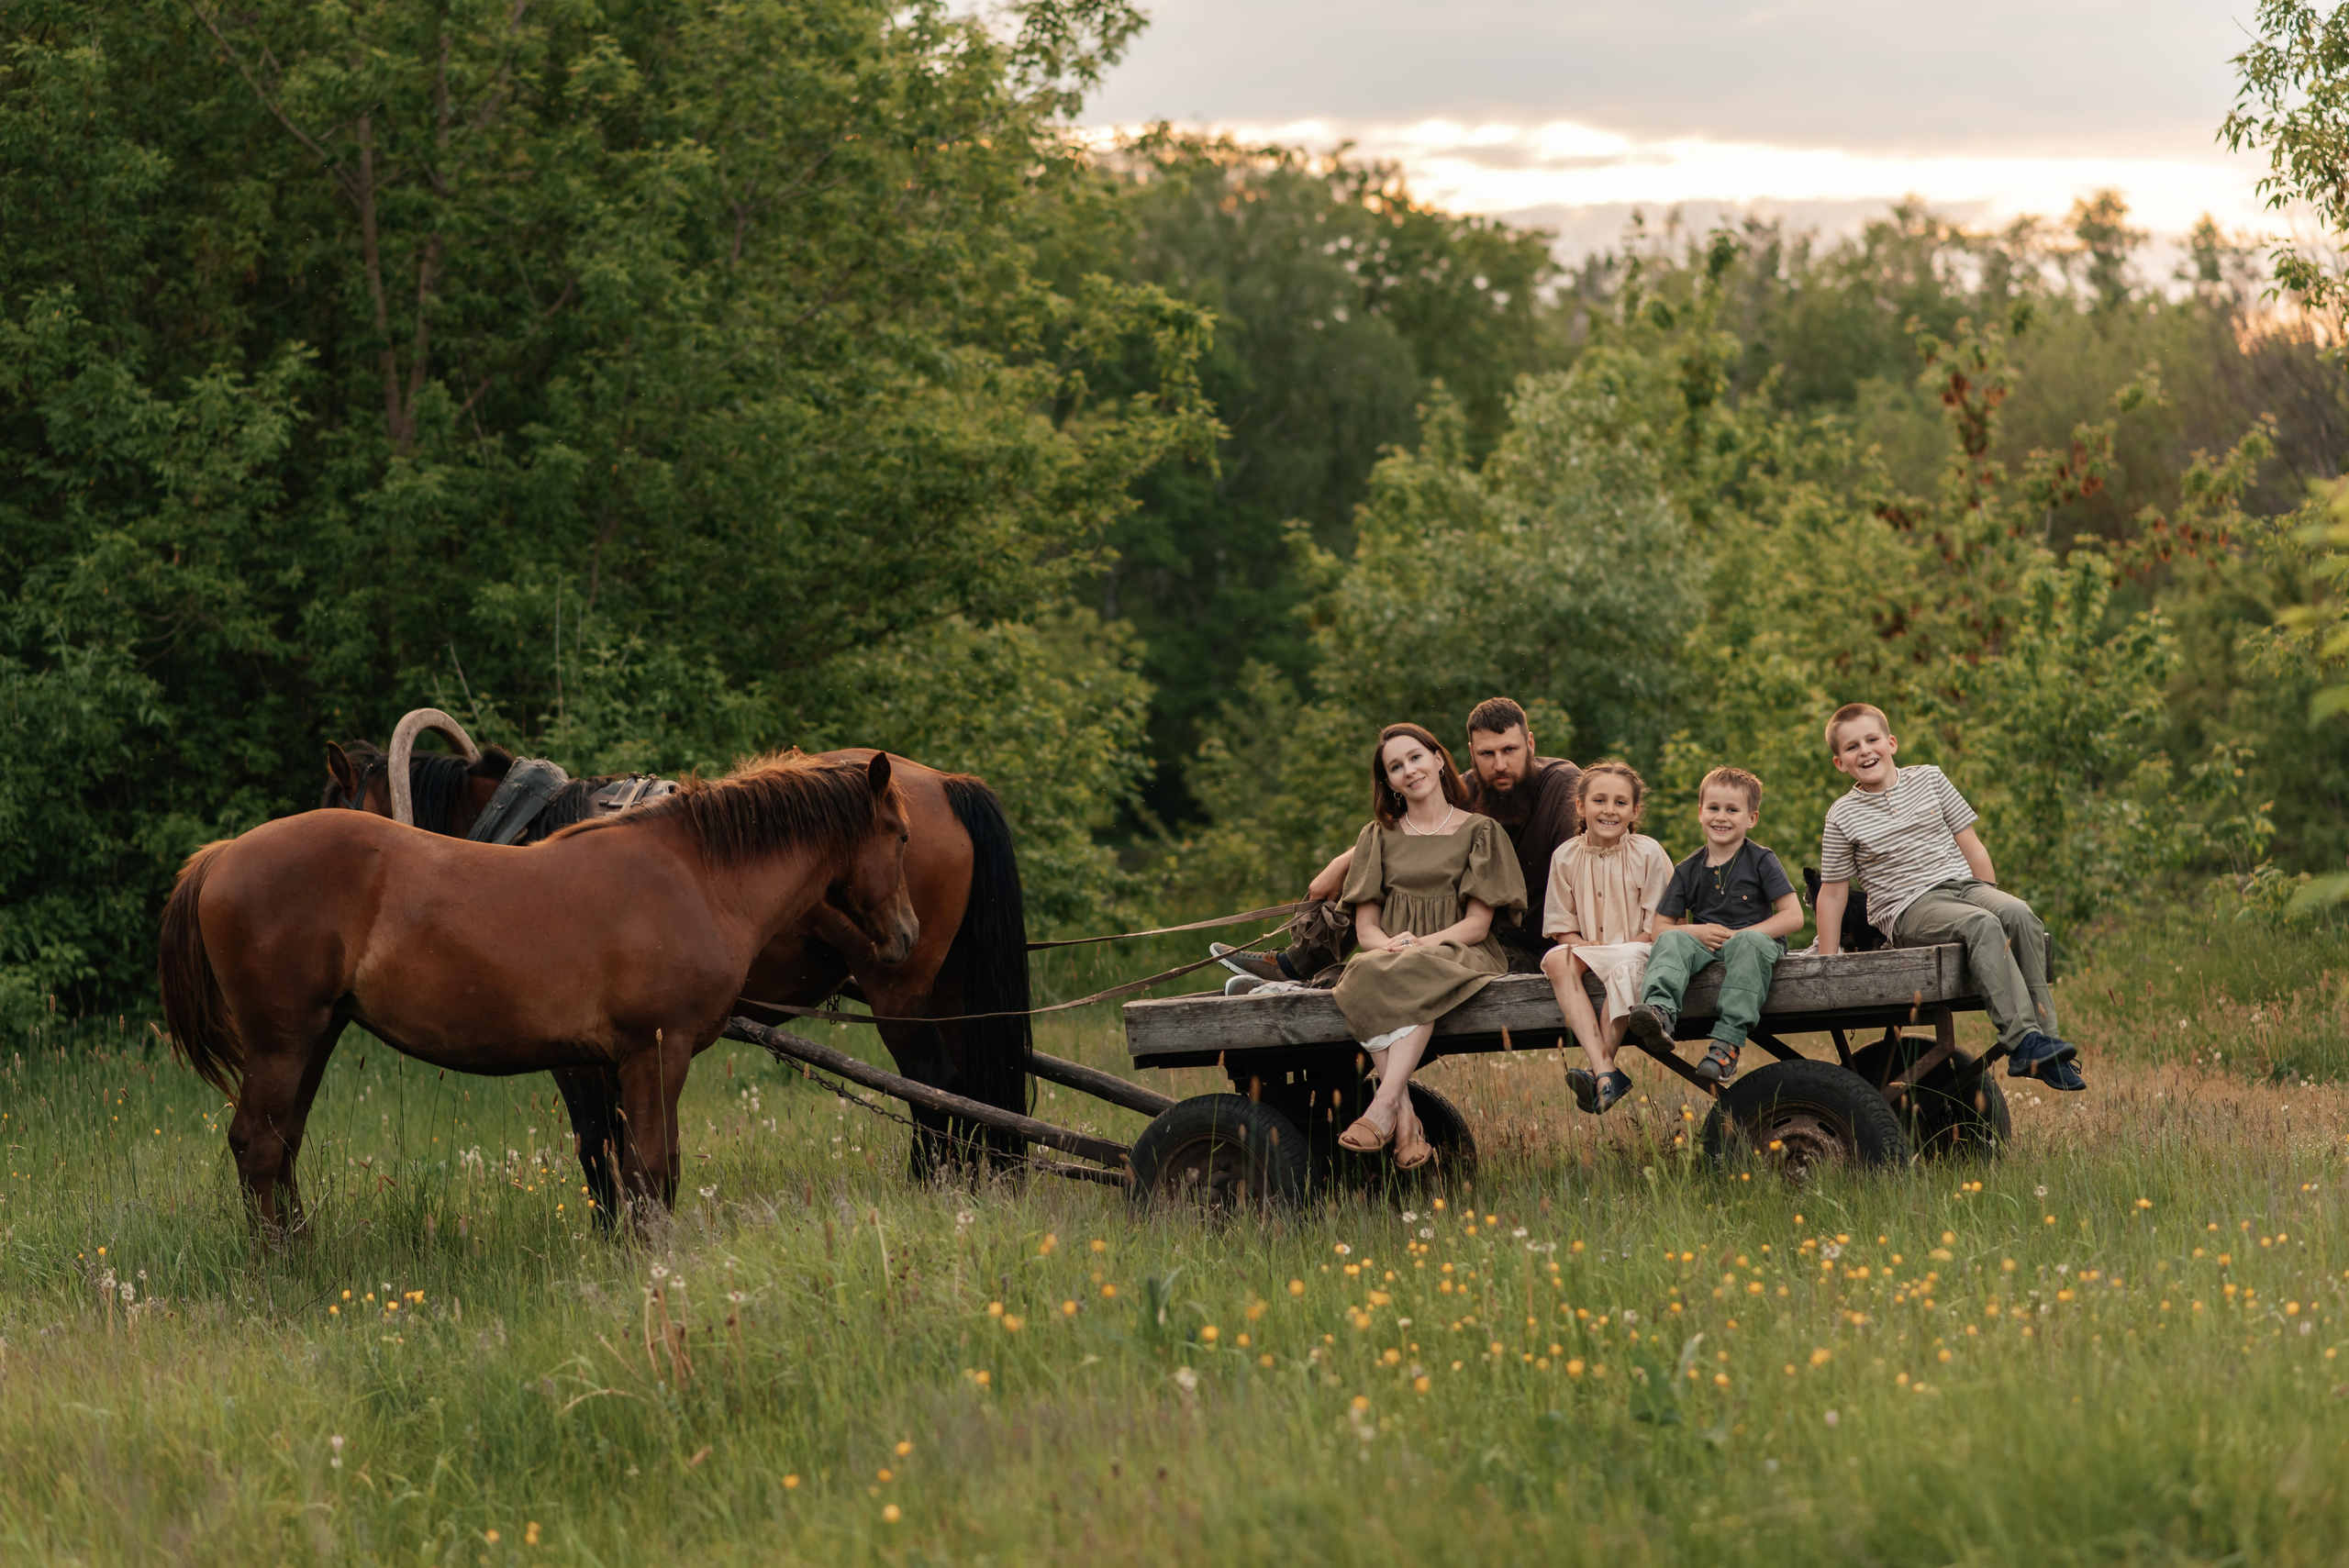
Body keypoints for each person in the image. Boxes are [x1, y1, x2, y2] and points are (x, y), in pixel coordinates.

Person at [1810, 703, 2084, 1089]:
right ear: (1840, 763)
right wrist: (1828, 963)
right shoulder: (1843, 814)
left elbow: (1972, 846)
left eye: (1872, 740)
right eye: (1852, 747)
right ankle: (2023, 1041)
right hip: (1908, 908)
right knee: (1982, 924)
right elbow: (1833, 893)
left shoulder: (1930, 778)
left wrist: (1987, 893)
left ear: (1891, 743)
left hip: (1963, 887)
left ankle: (2045, 1045)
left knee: (2018, 914)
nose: (1865, 751)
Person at [1215, 697, 1577, 984]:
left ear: (1530, 743)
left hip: (1529, 947)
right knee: (1375, 872)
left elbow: (1587, 865)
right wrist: (1343, 863)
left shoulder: (1562, 786)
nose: (1499, 765)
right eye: (1487, 754)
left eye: (1509, 750)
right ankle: (1294, 967)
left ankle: (1313, 987)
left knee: (1421, 964)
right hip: (1457, 934)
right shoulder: (1468, 788)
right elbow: (1407, 839)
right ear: (1471, 752)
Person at [1329, 723, 1528, 1167]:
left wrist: (1421, 944)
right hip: (1392, 954)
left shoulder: (1480, 831)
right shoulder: (1377, 836)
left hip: (1459, 951)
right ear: (1389, 782)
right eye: (1395, 767)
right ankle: (1406, 1124)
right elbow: (1366, 929)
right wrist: (1392, 947)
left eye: (1416, 757)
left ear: (1439, 760)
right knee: (1360, 972)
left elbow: (1477, 924)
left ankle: (1384, 1106)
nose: (1409, 770)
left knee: (1417, 969)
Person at [1623, 766, 1805, 1085]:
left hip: (1755, 945)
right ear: (1700, 813)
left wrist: (1743, 934)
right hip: (1708, 945)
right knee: (1671, 940)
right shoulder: (1687, 869)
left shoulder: (1761, 859)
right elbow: (1660, 929)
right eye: (1713, 808)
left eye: (1732, 810)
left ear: (1752, 818)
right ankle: (1659, 1013)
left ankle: (1727, 1045)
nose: (1721, 817)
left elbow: (1793, 916)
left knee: (1746, 944)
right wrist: (1696, 931)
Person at [1536, 762, 1675, 1115]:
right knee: (1556, 959)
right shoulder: (1565, 856)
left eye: (1620, 802)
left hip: (1642, 949)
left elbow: (1659, 925)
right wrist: (1583, 946)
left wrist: (1620, 950)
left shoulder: (1648, 852)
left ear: (1634, 811)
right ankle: (1604, 1070)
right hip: (1592, 951)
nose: (1609, 810)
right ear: (1581, 806)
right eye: (1599, 800)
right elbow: (1561, 927)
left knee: (1624, 966)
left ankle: (1598, 1071)